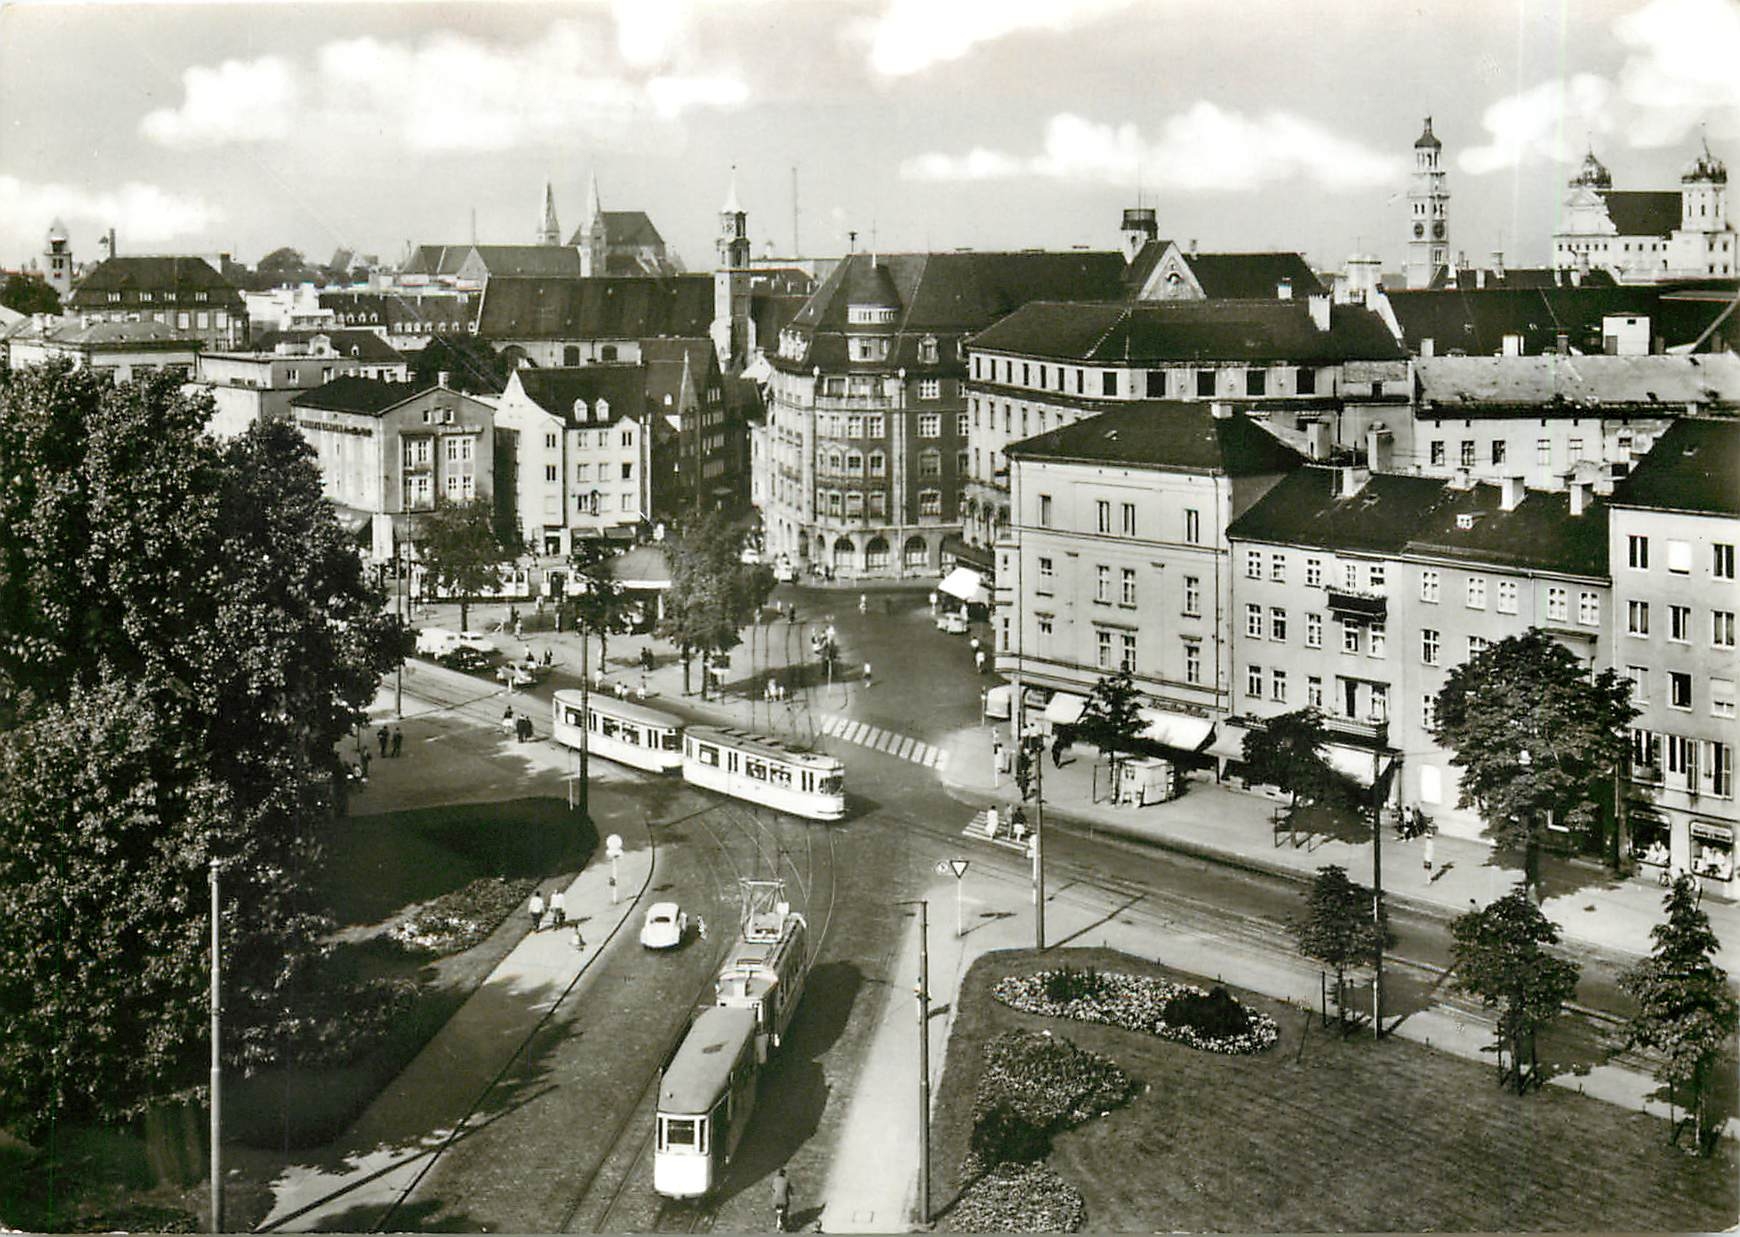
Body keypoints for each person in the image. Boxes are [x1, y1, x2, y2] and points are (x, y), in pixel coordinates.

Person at [771, 1167, 791, 1233]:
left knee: (776, 1209)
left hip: (775, 1200)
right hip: (783, 1200)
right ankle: (785, 1224)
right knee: (786, 1209)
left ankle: (776, 1221)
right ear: (784, 1174)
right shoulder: (786, 1181)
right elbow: (791, 1190)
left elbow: (773, 1189)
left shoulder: (775, 1180)